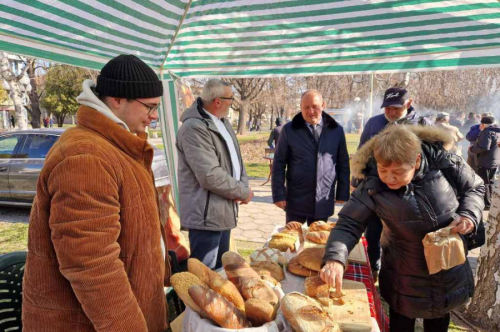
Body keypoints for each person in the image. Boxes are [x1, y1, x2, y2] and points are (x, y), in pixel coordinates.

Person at [22, 54, 170, 332]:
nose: (154, 116)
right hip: (84, 323)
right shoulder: (86, 156)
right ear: (116, 100)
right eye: (149, 107)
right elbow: (92, 265)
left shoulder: (117, 143)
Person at [321, 125, 484, 332]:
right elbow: (349, 224)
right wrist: (335, 257)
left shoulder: (443, 162)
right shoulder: (372, 186)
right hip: (405, 275)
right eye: (383, 170)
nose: (389, 178)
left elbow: (475, 186)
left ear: (416, 161)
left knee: (439, 320)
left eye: (398, 171)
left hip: (447, 268)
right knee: (401, 323)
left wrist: (469, 214)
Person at [355, 86, 432, 281]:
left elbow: (431, 160)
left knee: (400, 235)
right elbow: (361, 152)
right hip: (376, 188)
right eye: (387, 108)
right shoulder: (374, 123)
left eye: (396, 108)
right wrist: (356, 180)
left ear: (409, 103)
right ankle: (372, 269)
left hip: (408, 192)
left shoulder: (423, 124)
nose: (391, 112)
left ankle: (396, 274)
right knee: (372, 231)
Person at [176, 79, 253, 270]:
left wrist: (243, 187)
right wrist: (241, 192)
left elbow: (236, 160)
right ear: (218, 101)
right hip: (206, 216)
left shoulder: (222, 123)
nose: (232, 103)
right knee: (204, 277)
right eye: (230, 99)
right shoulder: (194, 128)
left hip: (222, 210)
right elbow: (209, 175)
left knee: (219, 273)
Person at [272, 89, 350, 225]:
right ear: (301, 108)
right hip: (296, 198)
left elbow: (343, 163)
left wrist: (342, 192)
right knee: (293, 241)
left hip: (323, 197)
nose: (311, 111)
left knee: (317, 243)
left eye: (315, 106)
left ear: (323, 105)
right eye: (306, 107)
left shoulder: (336, 130)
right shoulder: (289, 130)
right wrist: (278, 194)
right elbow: (278, 163)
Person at [470, 116, 500, 211]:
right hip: (495, 160)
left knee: (485, 183)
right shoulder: (498, 131)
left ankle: (487, 203)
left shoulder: (486, 132)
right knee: (490, 182)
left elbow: (484, 147)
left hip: (486, 161)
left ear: (482, 125)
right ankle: (491, 201)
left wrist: (472, 149)